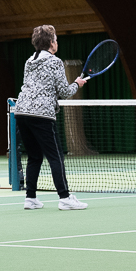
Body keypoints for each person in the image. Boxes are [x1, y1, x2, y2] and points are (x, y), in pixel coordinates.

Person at [16, 26, 88, 210]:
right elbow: (64, 92)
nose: (57, 42)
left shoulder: (28, 61)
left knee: (34, 156)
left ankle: (30, 198)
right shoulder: (55, 62)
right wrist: (77, 84)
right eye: (55, 39)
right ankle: (65, 198)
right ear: (50, 43)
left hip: (22, 112)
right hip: (41, 115)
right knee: (55, 157)